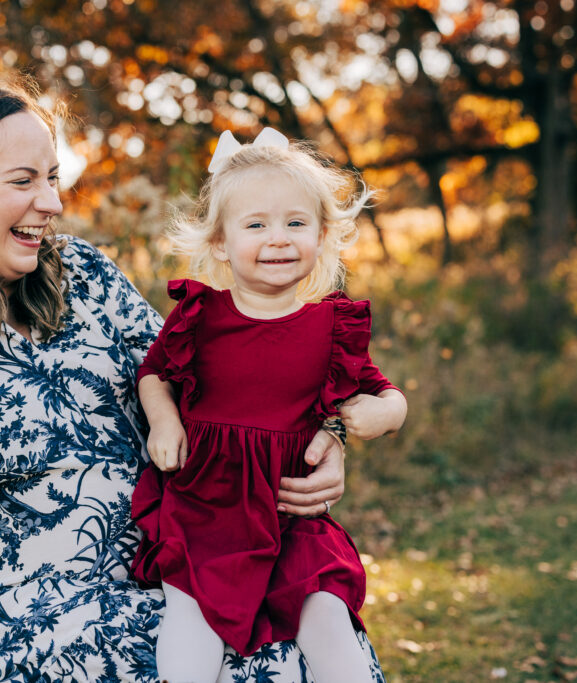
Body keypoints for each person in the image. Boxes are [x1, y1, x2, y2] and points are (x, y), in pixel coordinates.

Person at [0, 81, 389, 682]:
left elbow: (201, 383)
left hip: (148, 575)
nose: (52, 203)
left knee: (313, 637)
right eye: (23, 181)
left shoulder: (82, 279)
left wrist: (325, 436)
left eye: (53, 178)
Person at [130, 127, 407, 683]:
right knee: (191, 622)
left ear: (323, 235)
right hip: (205, 509)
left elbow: (386, 393)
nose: (278, 238)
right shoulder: (200, 319)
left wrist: (383, 416)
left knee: (327, 614)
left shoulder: (331, 327)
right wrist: (162, 419)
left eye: (295, 223)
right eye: (256, 225)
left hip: (290, 518)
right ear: (219, 242)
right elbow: (155, 374)